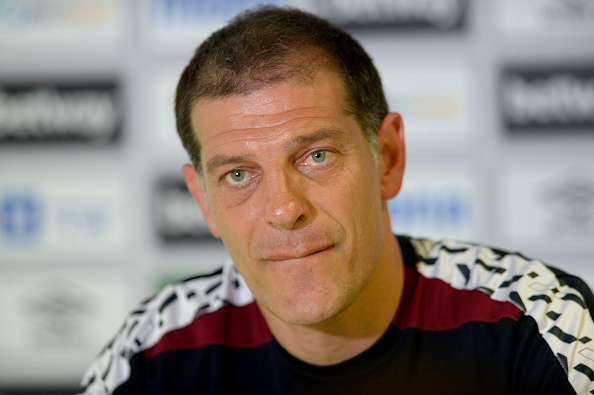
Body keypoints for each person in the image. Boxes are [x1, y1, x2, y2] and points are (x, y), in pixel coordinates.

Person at [80, 6, 594, 394]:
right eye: (238, 174)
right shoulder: (153, 349)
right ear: (204, 200)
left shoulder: (536, 324)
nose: (284, 208)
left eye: (316, 157)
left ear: (387, 157)